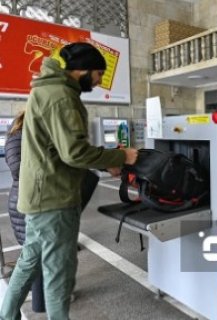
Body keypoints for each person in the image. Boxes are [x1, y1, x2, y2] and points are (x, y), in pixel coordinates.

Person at [0, 42, 138, 320]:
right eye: (98, 74)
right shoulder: (62, 96)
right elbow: (74, 152)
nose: (99, 81)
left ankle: (7, 315)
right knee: (58, 272)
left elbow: (61, 149)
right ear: (83, 70)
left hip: (38, 197)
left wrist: (106, 161)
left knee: (29, 262)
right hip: (54, 199)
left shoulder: (46, 89)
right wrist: (121, 155)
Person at [4, 111, 46, 313]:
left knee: (34, 257)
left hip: (28, 200)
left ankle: (42, 301)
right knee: (30, 261)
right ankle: (8, 313)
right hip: (28, 204)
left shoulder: (18, 133)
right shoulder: (22, 136)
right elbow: (21, 170)